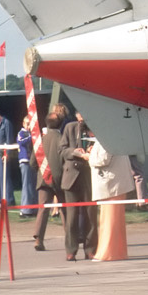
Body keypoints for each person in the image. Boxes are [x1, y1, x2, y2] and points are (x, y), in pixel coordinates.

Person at [58, 110, 98, 260]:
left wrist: (93, 151)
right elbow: (61, 150)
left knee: (90, 215)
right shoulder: (70, 127)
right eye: (80, 115)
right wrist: (75, 152)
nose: (82, 119)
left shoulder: (96, 128)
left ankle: (90, 249)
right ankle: (71, 250)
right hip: (71, 177)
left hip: (90, 177)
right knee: (72, 217)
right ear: (76, 115)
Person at [88, 133, 134, 260]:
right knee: (116, 221)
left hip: (111, 185)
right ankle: (118, 252)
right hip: (116, 184)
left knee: (108, 221)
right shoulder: (115, 137)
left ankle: (107, 253)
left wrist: (87, 156)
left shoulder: (105, 138)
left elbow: (103, 160)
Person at [32, 105, 68, 251]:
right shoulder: (63, 140)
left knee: (43, 209)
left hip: (43, 179)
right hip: (61, 180)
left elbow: (33, 162)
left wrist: (41, 171)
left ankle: (38, 239)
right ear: (61, 124)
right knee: (65, 209)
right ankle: (69, 239)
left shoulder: (40, 142)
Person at [17, 116, 37, 219]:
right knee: (26, 185)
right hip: (25, 161)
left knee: (33, 185)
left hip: (32, 162)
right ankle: (24, 210)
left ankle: (33, 208)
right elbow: (21, 142)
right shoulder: (21, 133)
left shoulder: (33, 134)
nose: (29, 126)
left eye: (30, 124)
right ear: (23, 124)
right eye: (27, 124)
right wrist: (31, 137)